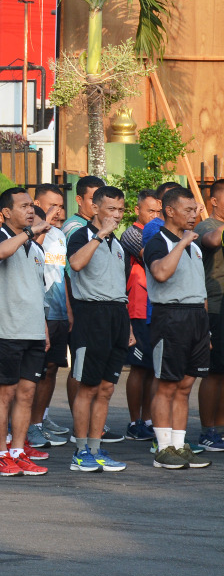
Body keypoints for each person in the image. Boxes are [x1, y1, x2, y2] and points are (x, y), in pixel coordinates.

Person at [0, 187, 51, 477]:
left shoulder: (36, 247)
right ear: (6, 212)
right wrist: (31, 232)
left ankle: (18, 450)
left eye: (32, 206)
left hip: (33, 330)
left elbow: (37, 290)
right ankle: (1, 454)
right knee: (5, 393)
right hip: (6, 329)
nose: (31, 210)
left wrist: (44, 327)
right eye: (23, 206)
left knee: (27, 393)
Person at [143, 186, 213, 469]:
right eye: (188, 210)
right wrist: (182, 243)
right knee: (167, 384)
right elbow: (160, 273)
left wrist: (205, 329)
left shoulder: (195, 245)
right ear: (169, 211)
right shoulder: (159, 241)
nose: (194, 215)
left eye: (196, 210)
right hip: (170, 316)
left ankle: (179, 444)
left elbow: (201, 290)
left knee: (185, 385)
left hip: (196, 318)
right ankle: (162, 449)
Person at [64, 185, 131, 473]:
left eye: (120, 210)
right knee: (88, 387)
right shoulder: (81, 235)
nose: (116, 215)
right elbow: (75, 264)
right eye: (111, 209)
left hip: (117, 315)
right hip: (91, 315)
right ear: (95, 208)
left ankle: (95, 447)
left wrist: (127, 326)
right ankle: (80, 452)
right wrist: (99, 234)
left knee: (106, 388)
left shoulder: (117, 244)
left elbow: (118, 286)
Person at [25, 184, 72, 449]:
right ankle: (26, 425)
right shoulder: (28, 234)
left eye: (60, 206)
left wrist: (68, 309)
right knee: (33, 371)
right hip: (36, 312)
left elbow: (60, 273)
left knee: (52, 368)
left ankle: (40, 420)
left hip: (58, 312)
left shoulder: (60, 235)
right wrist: (42, 225)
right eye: (51, 206)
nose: (57, 212)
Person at [123, 189, 160, 442]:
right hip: (137, 307)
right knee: (138, 368)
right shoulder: (132, 234)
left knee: (151, 369)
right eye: (151, 211)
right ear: (138, 210)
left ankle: (147, 420)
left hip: (155, 307)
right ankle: (134, 421)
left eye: (159, 211)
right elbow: (154, 258)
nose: (156, 216)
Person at [191, 179, 224, 452]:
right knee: (213, 372)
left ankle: (220, 429)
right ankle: (207, 430)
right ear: (214, 200)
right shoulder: (207, 225)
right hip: (213, 307)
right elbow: (211, 241)